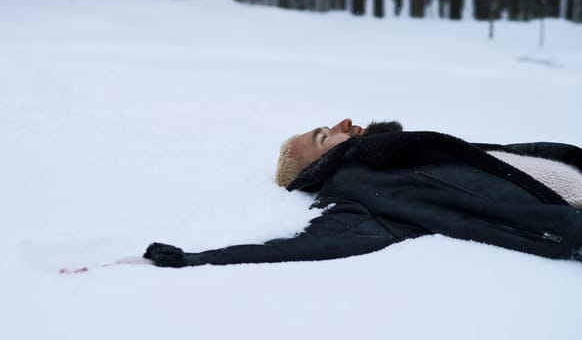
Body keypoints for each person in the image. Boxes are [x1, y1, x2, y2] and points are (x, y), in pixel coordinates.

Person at [143, 119, 582, 267]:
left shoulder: (385, 155)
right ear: (317, 166)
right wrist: (195, 258)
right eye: (323, 135)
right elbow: (296, 250)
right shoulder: (359, 187)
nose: (342, 125)